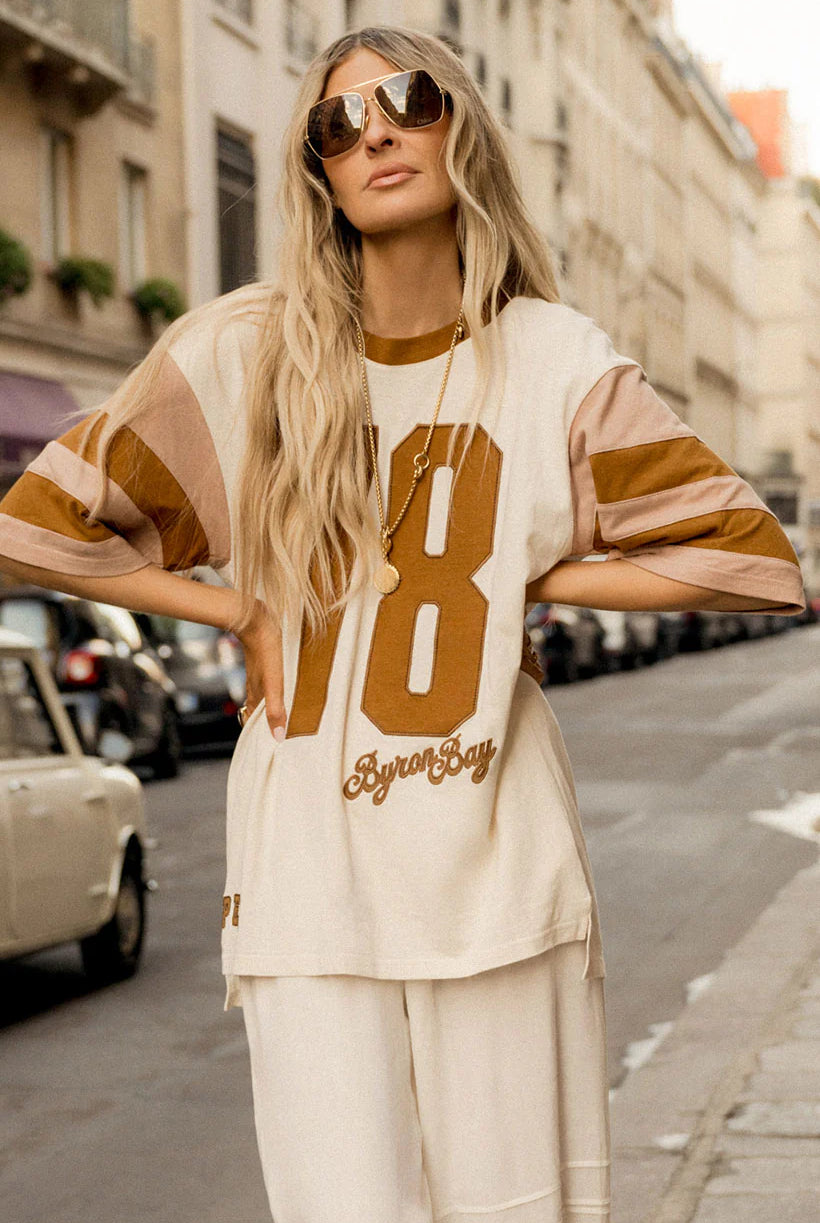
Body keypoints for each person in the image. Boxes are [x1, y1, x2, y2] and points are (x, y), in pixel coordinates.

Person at [0, 23, 804, 1223]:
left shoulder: (553, 359)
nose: (372, 128)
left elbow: (753, 561)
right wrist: (235, 609)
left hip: (495, 874)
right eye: (338, 120)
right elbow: (34, 525)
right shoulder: (245, 355)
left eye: (406, 98)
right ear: (318, 167)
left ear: (458, 125)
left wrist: (521, 574)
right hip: (308, 884)